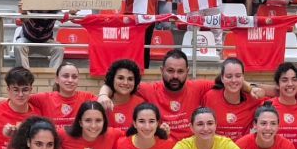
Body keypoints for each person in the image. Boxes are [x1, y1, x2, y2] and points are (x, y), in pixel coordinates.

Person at [99, 49, 261, 140]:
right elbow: (120, 84)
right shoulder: (149, 89)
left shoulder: (198, 86)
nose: (175, 76)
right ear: (162, 71)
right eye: (170, 71)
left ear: (187, 72)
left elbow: (229, 81)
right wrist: (103, 96)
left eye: (180, 71)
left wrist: (249, 88)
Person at [203, 58, 263, 141]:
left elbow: (277, 92)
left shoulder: (253, 99)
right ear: (222, 78)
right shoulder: (210, 96)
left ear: (243, 78)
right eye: (229, 76)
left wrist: (252, 88)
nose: (233, 80)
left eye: (238, 76)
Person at [29, 63, 98, 130]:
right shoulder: (43, 98)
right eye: (65, 76)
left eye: (74, 77)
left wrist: (104, 94)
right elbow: (21, 97)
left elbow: (105, 100)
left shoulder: (87, 98)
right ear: (57, 79)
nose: (70, 80)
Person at [268, 63, 297, 149]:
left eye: (294, 80)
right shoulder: (268, 106)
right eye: (284, 80)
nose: (290, 84)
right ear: (277, 84)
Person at [15, 3, 67, 70]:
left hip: (45, 42)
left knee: (59, 48)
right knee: (18, 45)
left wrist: (72, 12)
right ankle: (24, 75)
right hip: (27, 40)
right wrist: (23, 12)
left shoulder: (55, 10)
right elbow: (24, 19)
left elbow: (63, 17)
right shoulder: (29, 7)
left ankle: (53, 74)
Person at [103, 59, 147, 130]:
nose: (125, 82)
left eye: (130, 79)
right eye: (120, 78)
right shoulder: (101, 102)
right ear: (112, 79)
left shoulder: (140, 104)